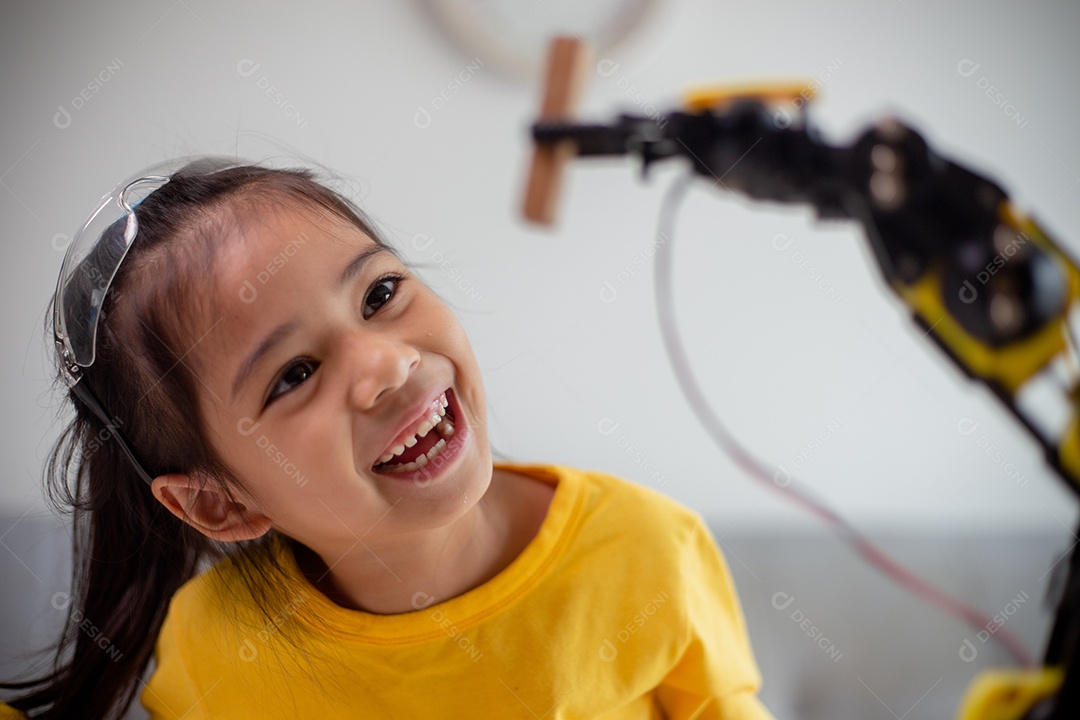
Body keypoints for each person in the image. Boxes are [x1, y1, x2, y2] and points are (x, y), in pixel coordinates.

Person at [0, 159, 774, 719]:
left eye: (380, 293)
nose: (387, 364)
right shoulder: (212, 646)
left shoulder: (648, 549)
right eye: (294, 374)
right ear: (216, 502)